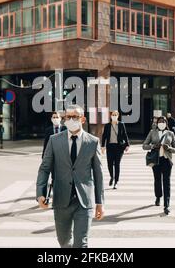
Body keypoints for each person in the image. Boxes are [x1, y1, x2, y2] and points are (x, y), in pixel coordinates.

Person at [36, 104, 104, 248]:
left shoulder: (93, 142)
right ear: (64, 119)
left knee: (81, 243)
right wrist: (40, 193)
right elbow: (44, 168)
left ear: (83, 119)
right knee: (64, 242)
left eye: (75, 117)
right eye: (68, 117)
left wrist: (100, 203)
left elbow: (98, 174)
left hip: (84, 201)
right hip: (61, 199)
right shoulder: (54, 140)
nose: (71, 120)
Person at [143, 116, 175, 215]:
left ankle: (167, 205)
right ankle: (158, 196)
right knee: (157, 179)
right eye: (160, 121)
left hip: (167, 160)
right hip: (156, 160)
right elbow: (144, 146)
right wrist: (153, 146)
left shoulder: (170, 133)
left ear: (166, 123)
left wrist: (169, 148)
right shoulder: (152, 132)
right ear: (157, 123)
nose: (161, 123)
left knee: (167, 182)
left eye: (163, 121)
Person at [101, 111, 130, 189]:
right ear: (110, 116)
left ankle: (116, 182)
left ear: (118, 116)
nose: (114, 116)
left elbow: (125, 135)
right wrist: (102, 146)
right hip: (110, 147)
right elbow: (104, 136)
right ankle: (112, 177)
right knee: (109, 164)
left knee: (117, 164)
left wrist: (127, 145)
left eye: (115, 115)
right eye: (113, 115)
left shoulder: (121, 124)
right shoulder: (107, 125)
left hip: (119, 147)